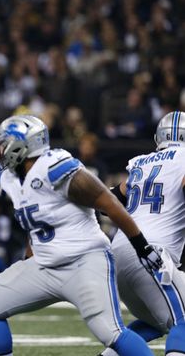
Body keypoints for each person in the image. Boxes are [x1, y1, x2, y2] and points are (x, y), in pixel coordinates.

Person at [0, 114, 162, 356]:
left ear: (24, 144)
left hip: (84, 261)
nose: (0, 150)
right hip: (45, 265)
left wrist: (141, 246)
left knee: (110, 332)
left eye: (4, 143)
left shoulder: (55, 167)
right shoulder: (10, 178)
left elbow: (111, 203)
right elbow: (36, 226)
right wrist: (27, 261)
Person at [98, 111, 185, 356]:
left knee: (156, 320)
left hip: (119, 256)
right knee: (183, 320)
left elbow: (111, 199)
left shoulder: (141, 162)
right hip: (151, 255)